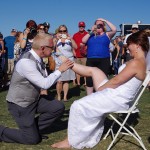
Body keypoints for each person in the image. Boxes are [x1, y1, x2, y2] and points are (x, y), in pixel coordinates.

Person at [51, 30, 149, 149]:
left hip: (117, 97)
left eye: (129, 45)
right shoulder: (141, 62)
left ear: (137, 45)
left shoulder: (136, 62)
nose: (127, 48)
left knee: (77, 105)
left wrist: (102, 89)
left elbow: (116, 81)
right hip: (118, 93)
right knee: (95, 70)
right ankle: (68, 64)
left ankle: (70, 141)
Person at [0, 33, 74, 144]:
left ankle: (32, 130)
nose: (54, 49)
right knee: (32, 139)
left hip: (33, 100)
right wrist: (60, 70)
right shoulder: (26, 62)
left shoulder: (39, 57)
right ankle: (2, 131)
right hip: (20, 105)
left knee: (57, 107)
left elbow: (43, 79)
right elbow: (44, 84)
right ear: (43, 48)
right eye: (52, 47)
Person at [82, 18, 117, 95]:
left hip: (104, 59)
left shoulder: (107, 34)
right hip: (91, 59)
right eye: (97, 24)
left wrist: (105, 21)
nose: (98, 26)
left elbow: (114, 29)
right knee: (89, 80)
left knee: (103, 79)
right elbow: (83, 41)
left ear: (103, 26)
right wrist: (91, 31)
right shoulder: (90, 35)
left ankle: (101, 96)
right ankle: (89, 97)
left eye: (100, 24)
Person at [55, 25, 77, 101]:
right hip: (59, 61)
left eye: (64, 31)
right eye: (61, 31)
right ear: (58, 32)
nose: (62, 32)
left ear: (66, 32)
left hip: (69, 61)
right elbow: (53, 49)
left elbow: (76, 47)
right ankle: (58, 95)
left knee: (66, 80)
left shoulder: (69, 40)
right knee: (59, 81)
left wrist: (71, 39)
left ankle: (65, 96)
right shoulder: (56, 39)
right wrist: (56, 39)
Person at [73, 21, 88, 86]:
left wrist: (86, 49)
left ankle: (85, 82)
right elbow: (72, 44)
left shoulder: (87, 34)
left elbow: (89, 44)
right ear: (78, 27)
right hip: (77, 55)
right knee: (77, 70)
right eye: (80, 26)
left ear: (84, 27)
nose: (81, 27)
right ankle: (78, 82)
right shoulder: (75, 35)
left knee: (85, 70)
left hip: (85, 55)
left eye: (82, 26)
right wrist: (73, 52)